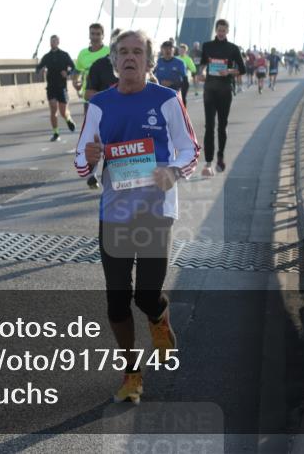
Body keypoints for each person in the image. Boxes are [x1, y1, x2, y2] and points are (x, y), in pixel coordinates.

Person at [74, 29, 199, 404]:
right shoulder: (100, 105)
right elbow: (82, 161)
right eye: (123, 52)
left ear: (149, 62)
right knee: (116, 300)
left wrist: (173, 171)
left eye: (137, 52)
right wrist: (90, 160)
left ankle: (158, 317)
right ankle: (131, 374)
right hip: (115, 212)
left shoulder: (167, 99)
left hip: (155, 211)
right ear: (114, 61)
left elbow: (189, 148)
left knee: (145, 295)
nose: (130, 58)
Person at [198, 19, 246, 176]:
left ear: (227, 31)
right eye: (219, 30)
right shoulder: (207, 46)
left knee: (222, 125)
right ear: (216, 30)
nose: (221, 33)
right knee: (209, 126)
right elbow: (203, 64)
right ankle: (208, 163)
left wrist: (229, 72)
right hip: (210, 90)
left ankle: (220, 155)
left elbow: (243, 69)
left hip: (225, 90)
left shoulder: (233, 48)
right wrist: (202, 73)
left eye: (224, 31)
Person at [74, 23, 111, 188]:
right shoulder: (82, 54)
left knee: (108, 137)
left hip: (109, 100)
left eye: (97, 34)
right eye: (92, 34)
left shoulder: (109, 52)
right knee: (91, 135)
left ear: (103, 35)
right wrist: (76, 81)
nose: (94, 36)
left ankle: (110, 169)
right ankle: (92, 173)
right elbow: (77, 70)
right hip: (90, 99)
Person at [35, 35, 77, 141]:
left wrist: (67, 73)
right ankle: (56, 133)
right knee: (53, 108)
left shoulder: (64, 55)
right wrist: (40, 70)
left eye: (54, 41)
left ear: (58, 42)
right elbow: (38, 68)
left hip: (61, 87)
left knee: (63, 112)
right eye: (51, 41)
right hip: (51, 87)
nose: (52, 43)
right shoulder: (47, 56)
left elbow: (73, 68)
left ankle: (68, 119)